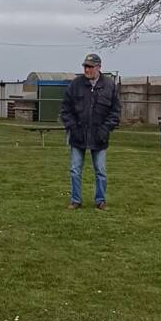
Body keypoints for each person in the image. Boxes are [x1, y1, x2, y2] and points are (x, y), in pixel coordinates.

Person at [60, 52, 120, 210]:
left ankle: (100, 200)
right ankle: (75, 200)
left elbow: (115, 112)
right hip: (78, 135)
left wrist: (105, 129)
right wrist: (73, 127)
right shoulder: (75, 85)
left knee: (101, 171)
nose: (87, 70)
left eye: (90, 67)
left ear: (99, 67)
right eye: (85, 66)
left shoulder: (109, 86)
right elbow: (66, 110)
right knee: (75, 170)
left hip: (99, 137)